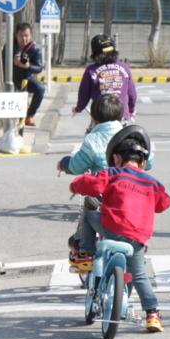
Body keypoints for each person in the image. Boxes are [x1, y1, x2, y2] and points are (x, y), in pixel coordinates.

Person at [69, 125, 169, 333]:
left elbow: (91, 185)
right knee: (139, 274)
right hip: (137, 236)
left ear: (116, 158)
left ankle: (87, 251)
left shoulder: (112, 173)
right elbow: (164, 203)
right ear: (143, 163)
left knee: (89, 216)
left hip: (111, 227)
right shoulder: (152, 182)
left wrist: (75, 185)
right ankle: (152, 314)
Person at [60, 94, 126, 257]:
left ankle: (82, 243)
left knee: (90, 204)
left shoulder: (93, 139)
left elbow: (77, 166)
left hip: (103, 192)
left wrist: (64, 164)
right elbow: (150, 161)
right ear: (121, 115)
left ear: (94, 118)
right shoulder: (130, 135)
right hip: (129, 190)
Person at [73, 34, 137, 120]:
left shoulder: (91, 70)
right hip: (121, 116)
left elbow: (84, 94)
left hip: (100, 118)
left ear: (95, 53)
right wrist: (131, 111)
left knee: (91, 133)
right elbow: (132, 94)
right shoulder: (124, 67)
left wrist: (78, 108)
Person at [12, 23, 45, 127]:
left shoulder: (35, 49)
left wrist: (27, 66)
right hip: (9, 78)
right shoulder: (10, 46)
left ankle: (29, 116)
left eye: (26, 36)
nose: (23, 39)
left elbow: (39, 67)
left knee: (40, 89)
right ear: (16, 35)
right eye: (21, 35)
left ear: (31, 36)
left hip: (25, 78)